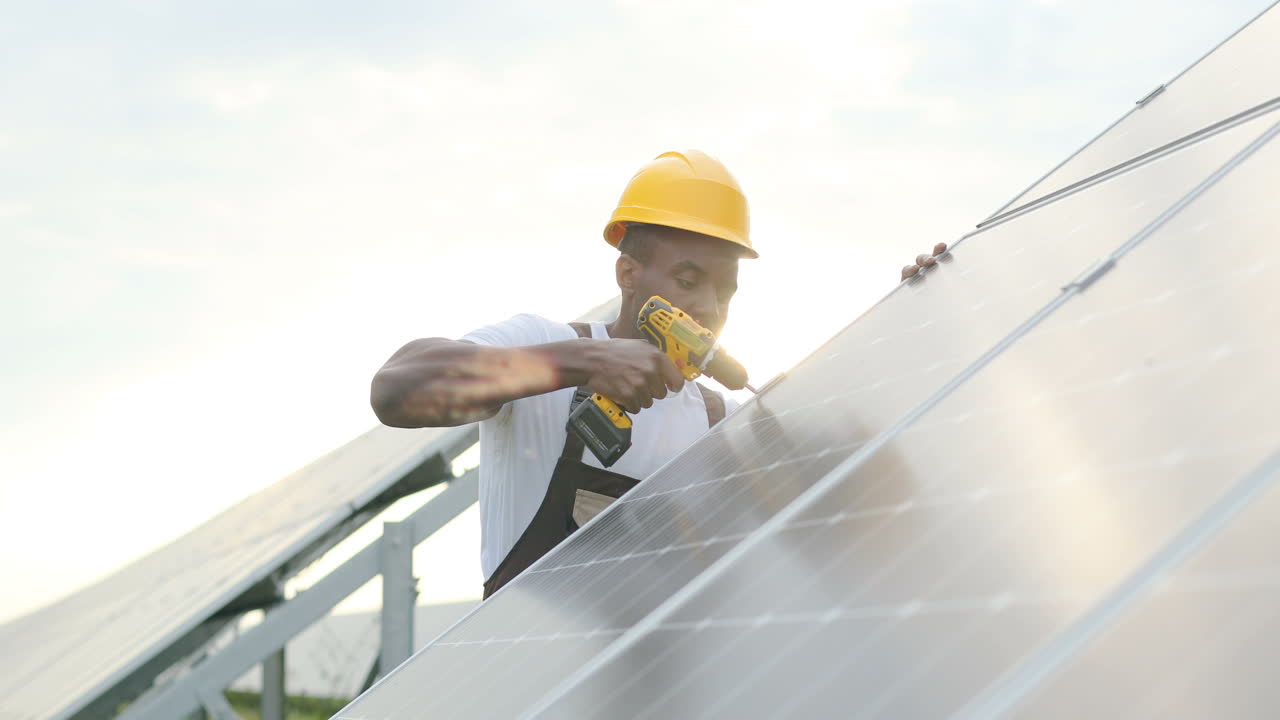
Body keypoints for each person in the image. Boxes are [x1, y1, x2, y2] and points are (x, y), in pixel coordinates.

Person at [370, 150, 945, 598]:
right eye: (688, 281)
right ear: (627, 274)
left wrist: (914, 328)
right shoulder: (539, 345)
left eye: (726, 292)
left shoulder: (724, 424)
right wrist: (583, 362)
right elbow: (396, 390)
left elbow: (868, 509)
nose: (709, 309)